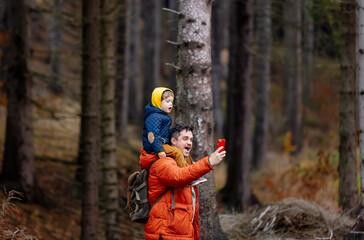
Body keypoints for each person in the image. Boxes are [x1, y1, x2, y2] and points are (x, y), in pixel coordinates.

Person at [139, 123, 226, 240]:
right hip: (165, 234)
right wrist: (209, 162)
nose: (189, 142)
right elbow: (178, 177)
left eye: (191, 139)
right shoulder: (163, 162)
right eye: (185, 139)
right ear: (173, 141)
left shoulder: (183, 164)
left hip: (178, 234)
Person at [142, 87, 206, 186]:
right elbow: (152, 136)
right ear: (158, 101)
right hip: (154, 146)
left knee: (186, 154)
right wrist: (159, 150)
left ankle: (193, 173)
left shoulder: (163, 116)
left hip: (162, 143)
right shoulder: (154, 117)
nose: (171, 104)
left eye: (172, 102)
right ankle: (186, 176)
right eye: (167, 101)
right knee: (177, 152)